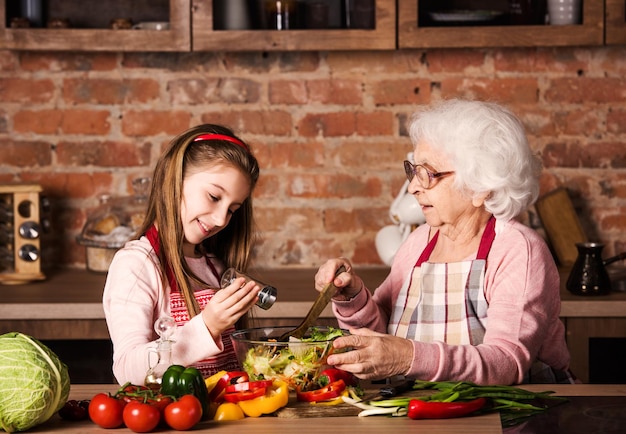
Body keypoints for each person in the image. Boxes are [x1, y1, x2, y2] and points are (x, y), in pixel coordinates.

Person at [315, 99, 575, 385]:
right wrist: (352, 298)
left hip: (510, 418)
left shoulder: (516, 250)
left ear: (480, 186)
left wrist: (407, 357)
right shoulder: (418, 244)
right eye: (413, 171)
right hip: (426, 413)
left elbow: (506, 363)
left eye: (428, 174)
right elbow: (384, 337)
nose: (413, 187)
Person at [103, 124, 261, 386]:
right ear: (173, 180)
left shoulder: (215, 266)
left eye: (232, 209)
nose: (222, 219)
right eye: (213, 196)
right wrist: (207, 326)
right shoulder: (137, 265)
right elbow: (127, 370)